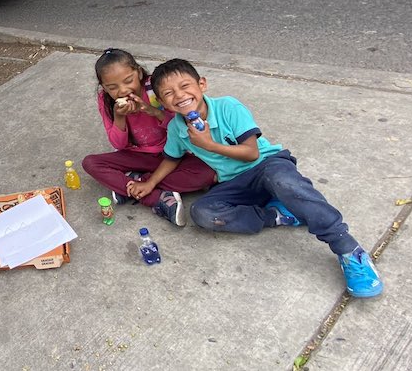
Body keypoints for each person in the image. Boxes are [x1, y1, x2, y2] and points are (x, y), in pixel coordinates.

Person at [148, 58, 384, 298]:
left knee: (283, 181)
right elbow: (171, 158)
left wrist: (208, 144)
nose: (179, 95)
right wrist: (150, 183)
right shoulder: (177, 129)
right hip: (234, 183)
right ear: (163, 102)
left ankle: (347, 249)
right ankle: (278, 215)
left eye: (185, 86)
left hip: (268, 166)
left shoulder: (228, 107)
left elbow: (251, 153)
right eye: (168, 93)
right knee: (203, 213)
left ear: (202, 84)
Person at [81, 49, 216, 226]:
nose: (122, 90)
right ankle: (157, 198)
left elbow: (182, 126)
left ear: (138, 72)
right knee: (90, 163)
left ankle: (134, 183)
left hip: (173, 154)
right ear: (103, 87)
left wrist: (150, 110)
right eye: (112, 87)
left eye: (128, 81)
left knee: (210, 173)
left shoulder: (155, 88)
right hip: (138, 156)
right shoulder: (105, 100)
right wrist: (119, 117)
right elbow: (118, 144)